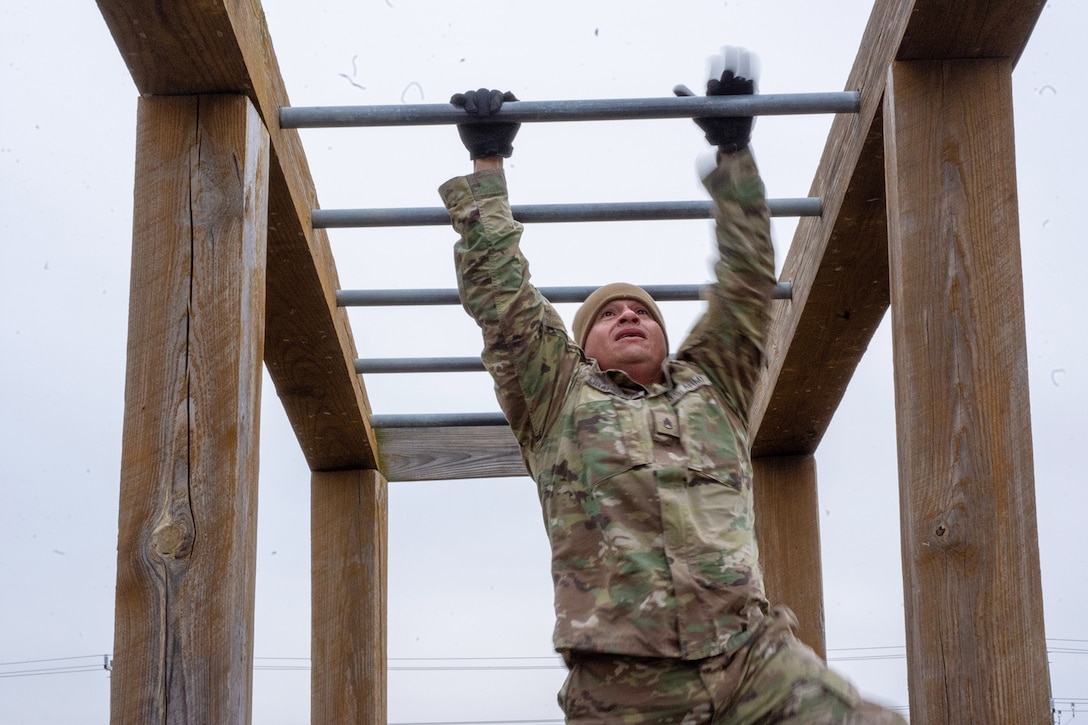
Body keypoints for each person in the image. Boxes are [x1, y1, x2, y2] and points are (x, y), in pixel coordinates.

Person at [439, 49, 906, 725]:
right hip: (626, 682)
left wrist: (734, 152)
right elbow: (504, 301)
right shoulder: (560, 398)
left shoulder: (712, 385)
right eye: (608, 313)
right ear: (581, 345)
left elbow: (746, 287)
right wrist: (488, 164)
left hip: (750, 659)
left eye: (641, 312)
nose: (628, 314)